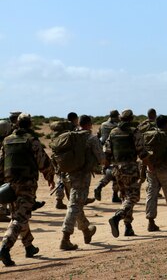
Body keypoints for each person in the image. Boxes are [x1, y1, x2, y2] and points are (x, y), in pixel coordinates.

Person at [0, 113, 55, 267]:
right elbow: (43, 161)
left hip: (10, 185)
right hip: (26, 185)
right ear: (30, 125)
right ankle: (5, 247)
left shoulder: (7, 140)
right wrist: (50, 177)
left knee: (19, 213)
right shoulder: (31, 140)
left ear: (16, 124)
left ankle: (29, 246)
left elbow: (1, 163)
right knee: (19, 218)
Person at [60, 115, 105, 250]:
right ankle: (65, 238)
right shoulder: (91, 138)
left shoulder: (71, 136)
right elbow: (101, 158)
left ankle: (86, 230)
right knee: (74, 205)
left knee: (76, 202)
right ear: (89, 124)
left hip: (67, 175)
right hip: (81, 176)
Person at [104, 109, 150, 237]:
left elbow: (107, 152)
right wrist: (148, 166)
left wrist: (107, 169)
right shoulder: (134, 132)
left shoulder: (113, 132)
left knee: (125, 197)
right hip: (130, 168)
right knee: (133, 197)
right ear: (131, 119)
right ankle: (117, 217)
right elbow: (142, 152)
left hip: (117, 169)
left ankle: (128, 227)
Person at [94, 110, 122, 203]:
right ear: (116, 116)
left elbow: (98, 136)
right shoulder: (116, 126)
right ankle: (111, 193)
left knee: (110, 171)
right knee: (116, 172)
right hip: (114, 151)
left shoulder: (102, 125)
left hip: (104, 151)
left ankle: (110, 192)